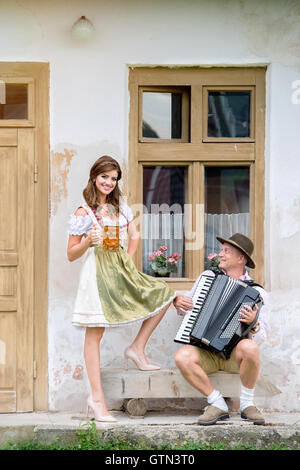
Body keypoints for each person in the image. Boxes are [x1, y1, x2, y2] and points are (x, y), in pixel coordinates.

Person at [67, 155, 175, 422]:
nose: (109, 182)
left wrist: (127, 258)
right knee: (94, 335)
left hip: (120, 269)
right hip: (96, 275)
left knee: (163, 294)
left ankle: (137, 348)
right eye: (104, 177)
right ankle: (96, 398)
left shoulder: (121, 208)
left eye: (114, 178)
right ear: (94, 177)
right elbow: (70, 254)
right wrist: (87, 242)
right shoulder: (84, 212)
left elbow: (135, 235)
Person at [174, 233, 269, 425]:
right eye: (221, 250)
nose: (220, 255)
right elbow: (188, 310)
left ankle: (247, 404)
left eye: (226, 251)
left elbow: (261, 341)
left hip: (233, 355)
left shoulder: (257, 292)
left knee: (250, 347)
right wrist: (179, 302)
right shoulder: (208, 277)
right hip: (205, 351)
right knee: (181, 356)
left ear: (241, 258)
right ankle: (217, 403)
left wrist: (254, 323)